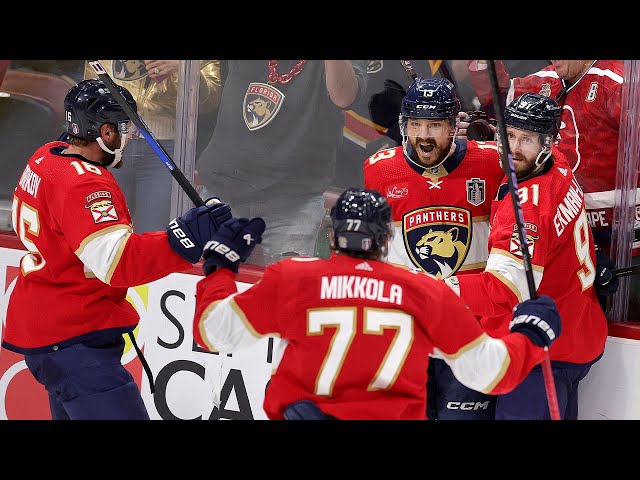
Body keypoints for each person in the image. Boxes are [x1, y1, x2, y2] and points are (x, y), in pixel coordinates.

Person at [191, 187, 562, 420]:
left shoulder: (293, 279)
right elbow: (489, 371)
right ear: (386, 239)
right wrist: (528, 337)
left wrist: (220, 268)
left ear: (332, 234)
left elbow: (215, 334)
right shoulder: (427, 291)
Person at [1, 79, 232, 420]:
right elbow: (118, 263)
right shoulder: (87, 184)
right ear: (105, 132)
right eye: (125, 128)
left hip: (49, 332)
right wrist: (184, 237)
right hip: (74, 341)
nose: (131, 136)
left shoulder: (45, 156)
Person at [443, 93, 608, 420]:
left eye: (526, 139)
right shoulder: (558, 161)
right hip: (576, 333)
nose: (514, 149)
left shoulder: (526, 208)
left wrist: (436, 289)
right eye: (510, 136)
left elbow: (503, 290)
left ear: (546, 142)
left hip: (539, 352)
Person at [363, 77, 506, 420]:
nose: (424, 135)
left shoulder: (491, 163)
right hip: (406, 338)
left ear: (454, 125)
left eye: (434, 125)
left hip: (470, 336)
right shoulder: (379, 171)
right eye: (416, 124)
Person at [467, 60, 627, 313]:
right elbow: (498, 98)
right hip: (570, 231)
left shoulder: (619, 83)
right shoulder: (548, 79)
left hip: (622, 234)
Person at [196, 60, 368, 266]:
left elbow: (343, 96)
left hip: (292, 204)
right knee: (205, 287)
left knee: (283, 293)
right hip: (222, 191)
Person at [84, 60, 223, 233]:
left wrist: (185, 69)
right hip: (110, 143)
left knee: (152, 234)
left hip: (164, 149)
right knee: (105, 232)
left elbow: (210, 100)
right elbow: (90, 92)